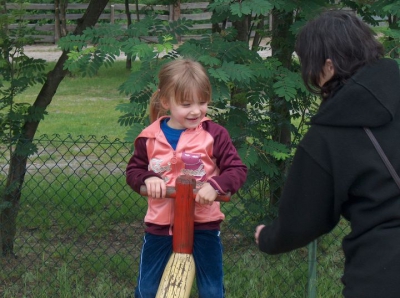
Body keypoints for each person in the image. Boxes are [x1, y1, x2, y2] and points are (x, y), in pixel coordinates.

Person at [254, 10, 400, 298]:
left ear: (329, 67)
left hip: (383, 271)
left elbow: (305, 217)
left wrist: (269, 238)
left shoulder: (330, 133)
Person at [126, 58, 247, 298]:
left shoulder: (214, 134)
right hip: (160, 226)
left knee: (212, 290)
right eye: (186, 104)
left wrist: (216, 186)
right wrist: (147, 178)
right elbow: (133, 171)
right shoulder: (149, 138)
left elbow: (237, 169)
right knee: (146, 289)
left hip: (204, 225)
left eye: (202, 102)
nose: (195, 110)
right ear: (165, 102)